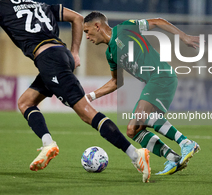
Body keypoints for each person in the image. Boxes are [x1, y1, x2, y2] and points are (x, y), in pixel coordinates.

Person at [0, 0, 151, 183]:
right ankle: (48, 143)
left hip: (49, 60)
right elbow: (78, 18)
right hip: (59, 56)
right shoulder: (42, 5)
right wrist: (75, 53)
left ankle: (135, 154)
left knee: (87, 114)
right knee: (25, 102)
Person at [83, 11, 201, 175]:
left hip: (161, 75)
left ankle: (186, 143)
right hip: (154, 81)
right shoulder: (110, 54)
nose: (87, 37)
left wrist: (183, 36)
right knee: (133, 130)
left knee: (141, 115)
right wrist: (90, 96)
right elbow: (117, 82)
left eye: (86, 31)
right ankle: (173, 158)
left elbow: (158, 21)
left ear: (97, 26)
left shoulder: (124, 28)